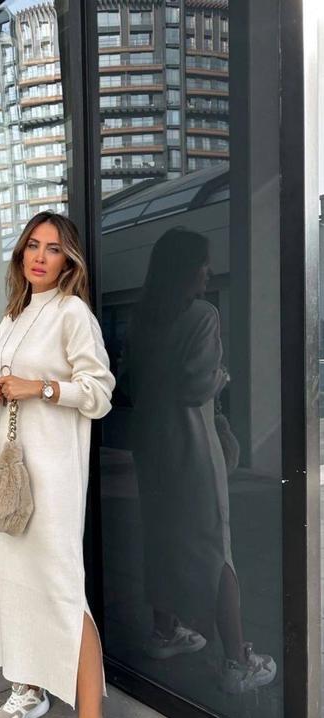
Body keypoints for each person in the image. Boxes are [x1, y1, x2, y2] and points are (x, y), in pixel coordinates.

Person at [0, 211, 117, 718]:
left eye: (52, 248)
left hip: (53, 478)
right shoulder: (13, 316)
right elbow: (5, 383)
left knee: (61, 589)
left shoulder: (72, 313)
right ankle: (31, 688)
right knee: (13, 581)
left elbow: (100, 391)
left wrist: (43, 388)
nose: (39, 256)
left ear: (68, 260)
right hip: (11, 474)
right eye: (31, 245)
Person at [124, 226, 276, 694]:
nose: (208, 272)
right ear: (187, 269)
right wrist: (221, 377)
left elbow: (129, 383)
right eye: (203, 263)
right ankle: (236, 662)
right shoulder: (203, 315)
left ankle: (165, 632)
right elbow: (195, 386)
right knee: (215, 546)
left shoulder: (140, 319)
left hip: (152, 448)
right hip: (191, 448)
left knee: (161, 537)